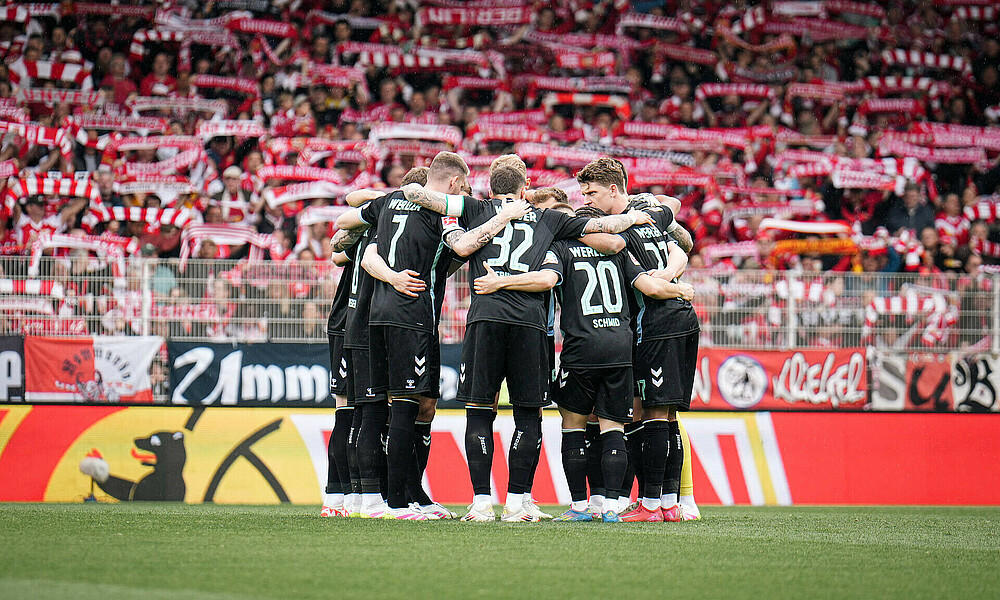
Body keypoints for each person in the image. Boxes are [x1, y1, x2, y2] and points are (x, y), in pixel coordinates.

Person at [400, 157, 654, 521]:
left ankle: (481, 502)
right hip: (529, 324)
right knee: (527, 414)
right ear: (525, 189)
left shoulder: (476, 207)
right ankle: (517, 501)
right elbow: (603, 225)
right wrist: (632, 218)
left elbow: (426, 198)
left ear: (490, 188)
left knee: (479, 411)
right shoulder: (549, 218)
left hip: (486, 320)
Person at [473, 204, 695, 522]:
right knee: (613, 427)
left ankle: (580, 506)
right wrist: (677, 287)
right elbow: (649, 284)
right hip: (621, 346)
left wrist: (501, 282)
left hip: (581, 347)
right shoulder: (619, 250)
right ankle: (611, 506)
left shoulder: (562, 248)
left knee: (574, 425)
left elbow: (547, 279)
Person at [576, 158, 700, 522]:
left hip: (658, 325)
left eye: (593, 192)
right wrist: (674, 278)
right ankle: (670, 504)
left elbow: (646, 286)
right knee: (668, 415)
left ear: (614, 190)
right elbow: (675, 216)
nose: (587, 199)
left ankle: (650, 505)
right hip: (681, 320)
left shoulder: (619, 236)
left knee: (655, 414)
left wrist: (665, 285)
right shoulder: (652, 216)